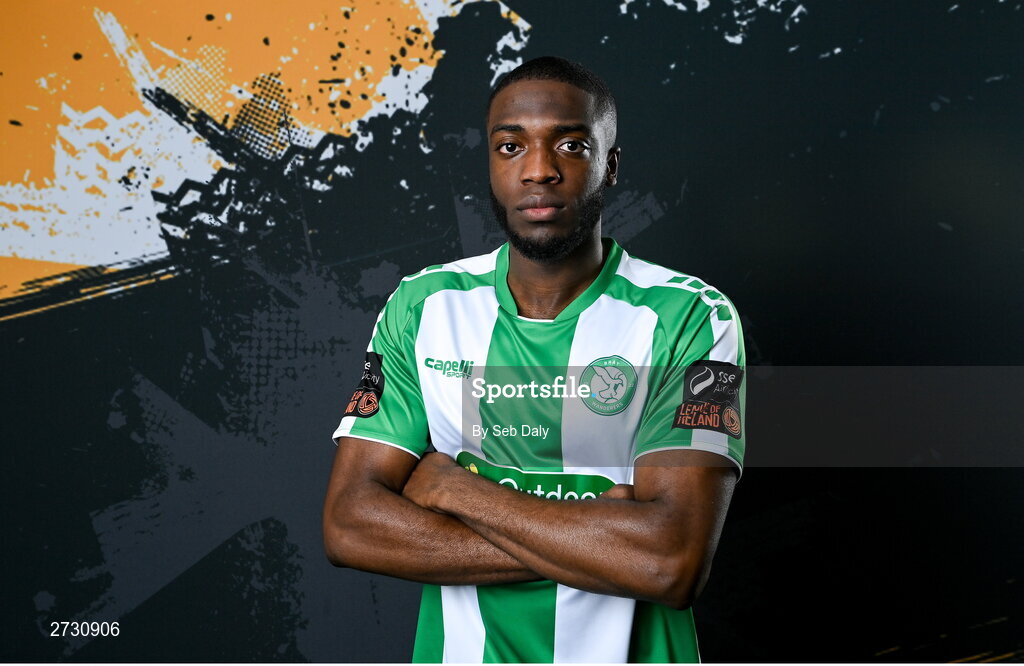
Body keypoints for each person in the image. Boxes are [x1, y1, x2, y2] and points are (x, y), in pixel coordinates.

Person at [322, 56, 745, 663]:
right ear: (490, 166)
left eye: (571, 145)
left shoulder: (691, 318)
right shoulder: (424, 306)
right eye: (510, 146)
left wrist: (454, 490)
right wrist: (601, 544)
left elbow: (668, 563)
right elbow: (349, 525)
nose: (539, 170)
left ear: (611, 165)